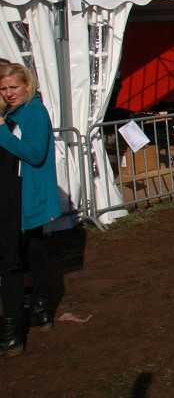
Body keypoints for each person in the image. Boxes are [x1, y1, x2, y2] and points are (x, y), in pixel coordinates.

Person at [0, 63, 60, 355]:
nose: (9, 93)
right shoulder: (15, 112)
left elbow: (35, 154)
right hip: (20, 194)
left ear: (28, 86)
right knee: (33, 250)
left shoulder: (33, 112)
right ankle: (42, 309)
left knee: (13, 258)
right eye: (4, 88)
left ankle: (15, 331)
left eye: (14, 87)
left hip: (24, 196)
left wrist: (1, 131)